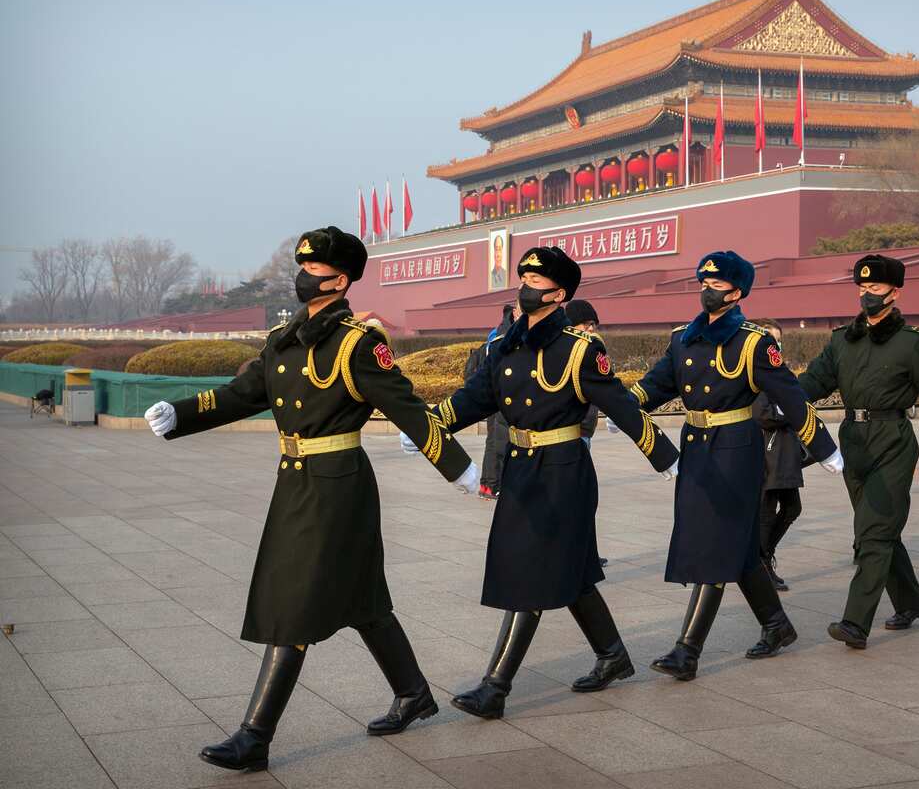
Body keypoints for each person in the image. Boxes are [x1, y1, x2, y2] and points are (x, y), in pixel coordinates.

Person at [143, 226, 479, 773]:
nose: (302, 278)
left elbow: (408, 408)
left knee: (294, 603)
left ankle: (255, 735)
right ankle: (414, 693)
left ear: (340, 280)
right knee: (363, 600)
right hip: (296, 481)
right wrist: (183, 412)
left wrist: (458, 469)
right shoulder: (284, 339)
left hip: (337, 485)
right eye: (301, 268)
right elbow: (240, 395)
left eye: (313, 270)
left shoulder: (358, 343)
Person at [404, 246, 679, 718]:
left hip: (563, 471)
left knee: (532, 571)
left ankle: (496, 688)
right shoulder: (505, 346)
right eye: (523, 279)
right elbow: (475, 398)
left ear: (559, 294)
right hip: (522, 467)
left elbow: (621, 406)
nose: (525, 288)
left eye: (535, 282)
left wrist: (666, 457)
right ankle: (612, 656)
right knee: (570, 572)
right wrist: (431, 426)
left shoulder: (578, 350)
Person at [628, 251, 841, 681]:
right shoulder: (682, 338)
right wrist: (623, 407)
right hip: (697, 447)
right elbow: (656, 385)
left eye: (716, 285)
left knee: (716, 545)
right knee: (738, 549)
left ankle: (687, 650)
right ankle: (777, 625)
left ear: (737, 292)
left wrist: (824, 447)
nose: (707, 290)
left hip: (736, 450)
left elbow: (791, 396)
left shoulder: (752, 341)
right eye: (703, 282)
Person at [797, 253, 919, 651]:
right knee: (880, 531)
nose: (867, 295)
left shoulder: (911, 344)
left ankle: (855, 623)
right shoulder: (842, 340)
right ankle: (910, 603)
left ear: (895, 292)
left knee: (872, 533)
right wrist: (779, 398)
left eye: (876, 289)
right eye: (863, 288)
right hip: (853, 439)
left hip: (893, 441)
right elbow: (814, 382)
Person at [750, 319, 811, 592]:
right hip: (767, 452)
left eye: (778, 340)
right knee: (765, 512)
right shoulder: (756, 373)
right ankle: (760, 565)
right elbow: (761, 413)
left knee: (792, 508)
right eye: (770, 339)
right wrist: (792, 411)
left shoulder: (780, 372)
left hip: (784, 452)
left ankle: (763, 557)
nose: (776, 345)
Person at [564, 299, 608, 567]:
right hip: (567, 435)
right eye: (585, 324)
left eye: (593, 324)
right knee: (573, 498)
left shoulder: (592, 352)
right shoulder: (563, 354)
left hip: (584, 433)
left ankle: (587, 554)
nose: (590, 329)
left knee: (584, 496)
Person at [477, 304, 517, 499]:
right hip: (500, 398)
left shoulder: (496, 332)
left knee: (493, 441)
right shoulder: (501, 336)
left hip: (495, 397)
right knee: (498, 442)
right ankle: (492, 485)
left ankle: (487, 484)